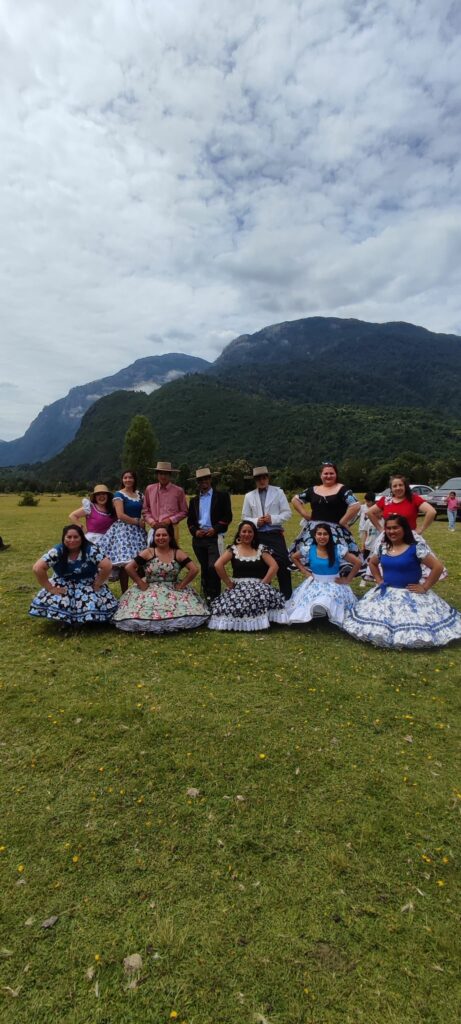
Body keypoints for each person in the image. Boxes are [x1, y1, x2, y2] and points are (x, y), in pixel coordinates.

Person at [342, 514, 461, 649]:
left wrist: (425, 587)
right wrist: (379, 580)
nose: (392, 531)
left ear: (404, 529)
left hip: (411, 594)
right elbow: (372, 563)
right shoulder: (383, 548)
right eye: (388, 528)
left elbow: (437, 567)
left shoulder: (416, 548)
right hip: (386, 592)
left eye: (395, 528)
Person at [112, 524, 209, 633]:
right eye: (157, 535)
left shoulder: (177, 553)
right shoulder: (149, 552)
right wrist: (140, 582)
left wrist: (182, 585)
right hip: (149, 588)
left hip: (172, 588)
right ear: (153, 537)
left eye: (164, 535)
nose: (161, 538)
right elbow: (129, 567)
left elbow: (194, 569)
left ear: (170, 537)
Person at [208, 520, 287, 632]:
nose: (247, 534)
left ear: (254, 534)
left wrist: (264, 583)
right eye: (244, 531)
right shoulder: (233, 549)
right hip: (238, 586)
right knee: (236, 604)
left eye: (250, 532)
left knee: (256, 598)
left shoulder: (261, 549)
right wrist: (229, 583)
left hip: (258, 585)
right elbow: (218, 565)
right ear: (239, 533)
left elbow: (274, 566)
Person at [29, 525, 117, 625]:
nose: (72, 540)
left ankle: (87, 620)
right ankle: (65, 619)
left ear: (82, 538)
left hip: (87, 583)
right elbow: (37, 568)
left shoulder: (91, 550)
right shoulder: (57, 551)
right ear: (63, 538)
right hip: (64, 583)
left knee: (91, 601)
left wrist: (98, 583)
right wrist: (50, 588)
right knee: (61, 598)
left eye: (76, 537)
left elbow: (107, 565)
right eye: (69, 537)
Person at [284, 523, 361, 627]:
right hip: (315, 583)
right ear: (315, 536)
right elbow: (294, 557)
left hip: (334, 584)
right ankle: (318, 612)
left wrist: (347, 579)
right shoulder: (309, 549)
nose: (322, 537)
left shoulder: (338, 549)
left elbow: (358, 562)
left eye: (325, 534)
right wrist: (305, 572)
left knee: (327, 598)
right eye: (319, 534)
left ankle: (325, 612)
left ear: (330, 536)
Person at [241, 466, 292, 599]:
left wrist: (273, 519)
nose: (262, 481)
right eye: (258, 478)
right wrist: (257, 521)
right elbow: (244, 517)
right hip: (258, 535)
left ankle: (286, 597)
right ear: (255, 480)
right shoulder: (249, 496)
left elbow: (287, 513)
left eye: (264, 478)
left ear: (268, 478)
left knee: (283, 564)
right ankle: (263, 597)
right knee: (260, 566)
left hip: (275, 534)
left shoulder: (278, 492)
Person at [291, 462, 361, 558]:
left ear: (336, 475)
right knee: (312, 557)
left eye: (331, 473)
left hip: (335, 531)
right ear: (321, 475)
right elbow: (295, 500)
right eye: (326, 473)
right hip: (314, 532)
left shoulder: (342, 489)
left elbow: (355, 505)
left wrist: (343, 521)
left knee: (335, 558)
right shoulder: (313, 490)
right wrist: (305, 515)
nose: (328, 476)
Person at [187, 468, 232, 601]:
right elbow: (190, 521)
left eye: (206, 478)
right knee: (205, 568)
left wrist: (216, 529)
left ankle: (216, 596)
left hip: (214, 537)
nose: (204, 482)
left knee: (213, 566)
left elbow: (227, 517)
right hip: (199, 539)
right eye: (201, 480)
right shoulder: (194, 500)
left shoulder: (222, 496)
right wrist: (195, 531)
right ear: (197, 482)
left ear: (210, 479)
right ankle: (206, 596)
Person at [100, 471, 146, 592]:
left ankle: (143, 592)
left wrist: (143, 522)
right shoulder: (119, 494)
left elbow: (144, 511)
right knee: (125, 564)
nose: (128, 480)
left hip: (138, 533)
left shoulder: (140, 495)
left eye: (130, 477)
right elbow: (120, 515)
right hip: (124, 531)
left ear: (134, 479)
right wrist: (137, 521)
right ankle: (125, 593)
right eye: (125, 478)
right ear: (122, 480)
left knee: (141, 562)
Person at [366, 475, 436, 534]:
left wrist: (421, 529)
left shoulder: (413, 499)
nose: (398, 488)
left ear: (405, 486)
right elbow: (369, 512)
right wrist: (380, 529)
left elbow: (431, 512)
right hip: (390, 539)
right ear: (391, 488)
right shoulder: (386, 500)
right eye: (395, 486)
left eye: (400, 485)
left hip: (408, 538)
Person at [142, 461, 188, 544]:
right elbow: (145, 510)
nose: (163, 476)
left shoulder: (178, 491)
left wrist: (170, 520)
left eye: (166, 474)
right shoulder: (150, 489)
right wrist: (151, 522)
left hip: (171, 528)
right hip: (154, 528)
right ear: (157, 474)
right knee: (153, 554)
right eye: (161, 473)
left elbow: (184, 511)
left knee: (171, 554)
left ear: (170, 475)